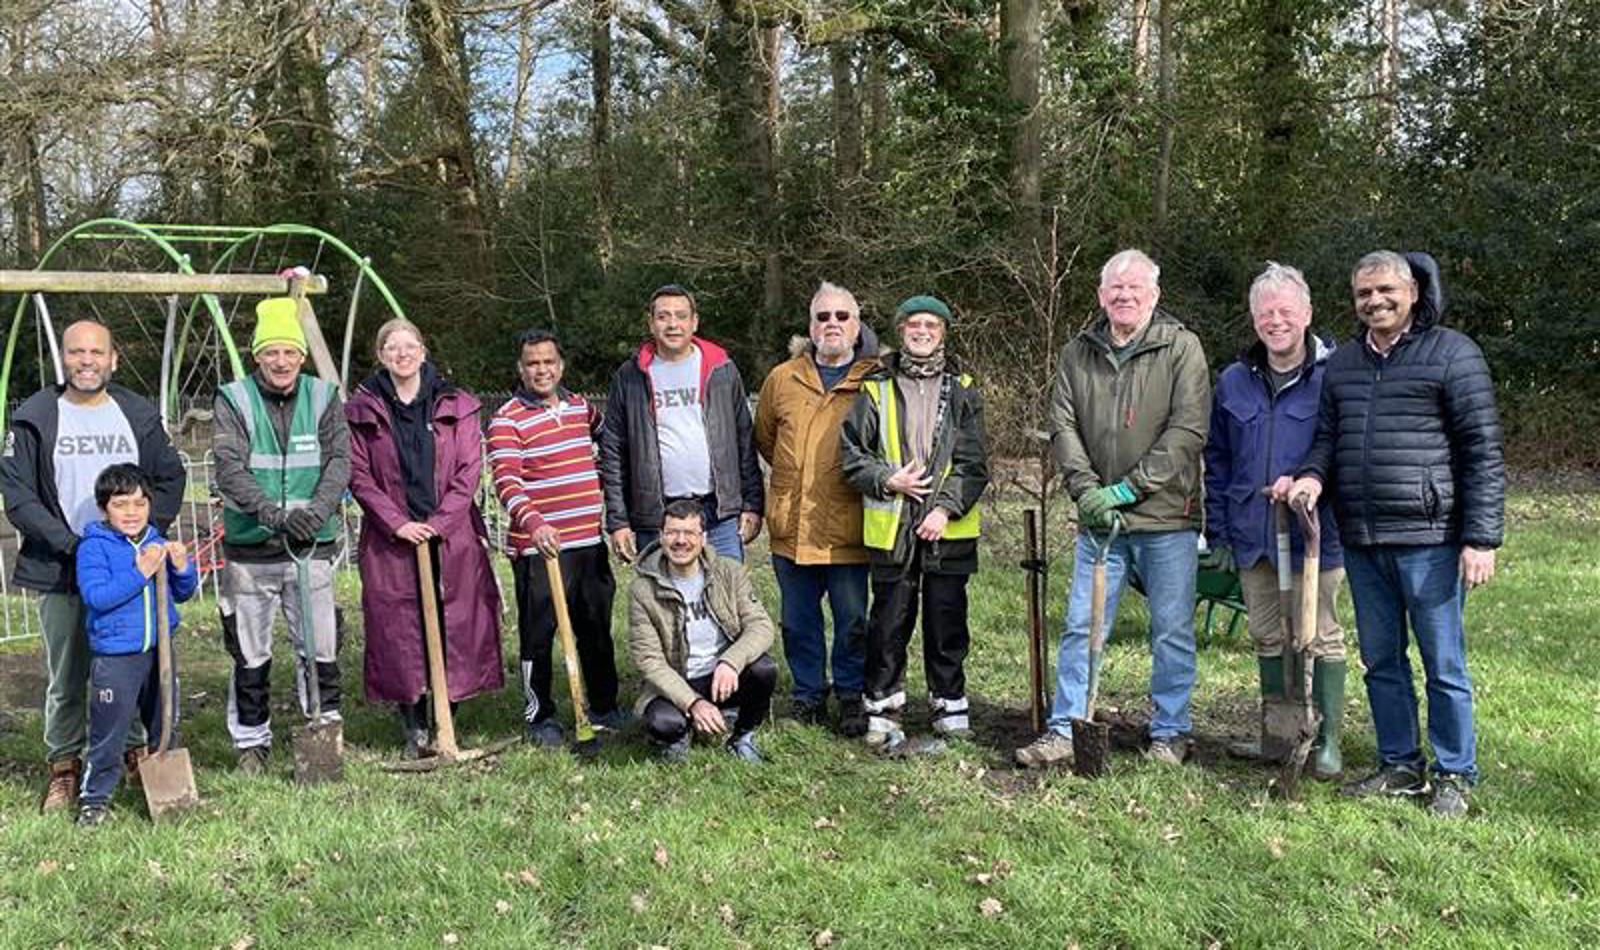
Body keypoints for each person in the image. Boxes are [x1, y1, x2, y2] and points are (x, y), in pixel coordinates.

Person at [1287, 250, 1504, 818]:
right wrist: (1312, 476)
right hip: (1363, 538)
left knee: (1443, 663)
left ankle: (1455, 772)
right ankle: (1400, 765)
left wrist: (1481, 538)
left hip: (1431, 539)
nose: (1375, 302)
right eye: (1364, 294)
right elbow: (1328, 438)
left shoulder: (1453, 353)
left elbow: (1482, 451)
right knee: (1382, 661)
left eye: (1385, 290)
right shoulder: (1345, 364)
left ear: (1412, 291)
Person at [1016, 249, 1211, 769]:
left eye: (1135, 288)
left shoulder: (1181, 348)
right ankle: (1065, 727)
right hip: (1099, 520)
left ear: (1155, 294)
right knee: (1083, 625)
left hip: (1166, 517)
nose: (1124, 296)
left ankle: (1170, 731)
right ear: (1101, 296)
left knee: (1170, 629)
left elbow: (1188, 430)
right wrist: (1087, 493)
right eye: (1115, 289)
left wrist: (1127, 491)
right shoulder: (1078, 352)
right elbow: (1063, 426)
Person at [0, 320, 185, 812]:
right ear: (64, 358)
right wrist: (71, 544)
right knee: (68, 674)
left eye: (96, 352)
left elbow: (170, 477)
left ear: (113, 359)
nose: (87, 361)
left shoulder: (136, 413)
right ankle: (64, 765)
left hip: (129, 571)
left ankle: (135, 750)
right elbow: (18, 495)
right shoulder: (37, 415)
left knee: (134, 666)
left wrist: (145, 536)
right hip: (62, 567)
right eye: (77, 352)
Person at [1204, 262, 1347, 779]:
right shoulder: (1234, 382)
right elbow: (1217, 460)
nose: (1276, 321)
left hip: (1315, 534)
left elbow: (1344, 451)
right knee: (1268, 636)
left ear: (1307, 314)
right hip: (1253, 532)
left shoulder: (1334, 377)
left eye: (1286, 311)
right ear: (1253, 319)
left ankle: (1327, 740)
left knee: (1319, 634)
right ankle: (1279, 733)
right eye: (1266, 313)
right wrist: (1218, 529)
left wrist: (1309, 486)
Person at [346, 318, 504, 759]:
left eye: (409, 345)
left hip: (451, 535)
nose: (402, 354)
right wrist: (397, 522)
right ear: (381, 356)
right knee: (398, 625)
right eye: (392, 347)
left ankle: (447, 715)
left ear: (423, 350)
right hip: (391, 538)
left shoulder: (458, 404)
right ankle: (414, 720)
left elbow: (469, 470)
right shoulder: (362, 410)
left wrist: (440, 521)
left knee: (459, 619)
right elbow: (359, 475)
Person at [839, 295, 989, 748]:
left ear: (943, 333)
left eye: (932, 325)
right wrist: (889, 480)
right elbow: (851, 457)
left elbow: (973, 463)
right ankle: (883, 706)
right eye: (913, 325)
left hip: (949, 529)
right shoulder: (875, 387)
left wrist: (944, 509)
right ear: (900, 331)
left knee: (947, 621)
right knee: (889, 621)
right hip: (894, 527)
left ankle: (948, 702)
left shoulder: (963, 388)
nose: (922, 332)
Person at [213, 297, 351, 773]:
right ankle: (252, 742)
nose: (281, 361)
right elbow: (229, 467)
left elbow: (339, 460)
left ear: (301, 356)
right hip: (252, 549)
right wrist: (272, 514)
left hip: (311, 545)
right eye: (271, 352)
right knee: (250, 651)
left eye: (290, 352)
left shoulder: (323, 396)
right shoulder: (233, 399)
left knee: (320, 645)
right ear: (257, 356)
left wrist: (316, 511)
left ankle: (325, 728)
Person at [488, 329, 624, 748]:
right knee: (538, 634)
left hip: (588, 543)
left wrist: (606, 483)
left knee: (596, 628)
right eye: (533, 363)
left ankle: (603, 706)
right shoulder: (507, 418)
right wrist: (534, 523)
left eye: (548, 362)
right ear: (521, 369)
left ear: (560, 365)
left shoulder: (582, 408)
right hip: (540, 549)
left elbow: (611, 446)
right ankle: (540, 714)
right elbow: (506, 480)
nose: (541, 370)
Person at [754, 281, 879, 733]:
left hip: (848, 525)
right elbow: (766, 440)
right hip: (792, 526)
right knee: (797, 621)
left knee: (852, 621)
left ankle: (850, 695)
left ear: (857, 325)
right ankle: (807, 695)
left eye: (841, 317)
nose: (832, 325)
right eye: (823, 317)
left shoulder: (874, 381)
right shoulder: (782, 379)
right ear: (810, 326)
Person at [72, 464, 199, 826]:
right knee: (109, 733)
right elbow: (98, 596)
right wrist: (140, 572)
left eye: (140, 504)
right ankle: (94, 800)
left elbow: (183, 593)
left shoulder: (156, 541)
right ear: (104, 509)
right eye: (121, 505)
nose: (132, 513)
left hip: (160, 651)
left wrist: (182, 566)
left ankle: (169, 793)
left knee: (165, 723)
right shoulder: (94, 547)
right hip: (116, 658)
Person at [600, 284, 763, 563]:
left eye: (680, 316)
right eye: (663, 316)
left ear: (694, 322)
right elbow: (612, 451)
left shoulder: (722, 369)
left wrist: (752, 504)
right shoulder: (630, 376)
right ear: (651, 323)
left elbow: (744, 440)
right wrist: (618, 521)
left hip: (718, 513)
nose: (673, 324)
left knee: (724, 600)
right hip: (656, 515)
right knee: (661, 603)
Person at [627, 499, 778, 763]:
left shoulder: (728, 572)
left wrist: (731, 662)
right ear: (661, 536)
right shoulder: (642, 590)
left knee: (764, 669)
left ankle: (741, 736)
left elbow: (761, 626)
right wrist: (693, 702)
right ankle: (681, 733)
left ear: (703, 537)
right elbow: (649, 660)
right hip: (677, 681)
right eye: (672, 532)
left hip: (721, 676)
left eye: (689, 533)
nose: (680, 541)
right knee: (663, 723)